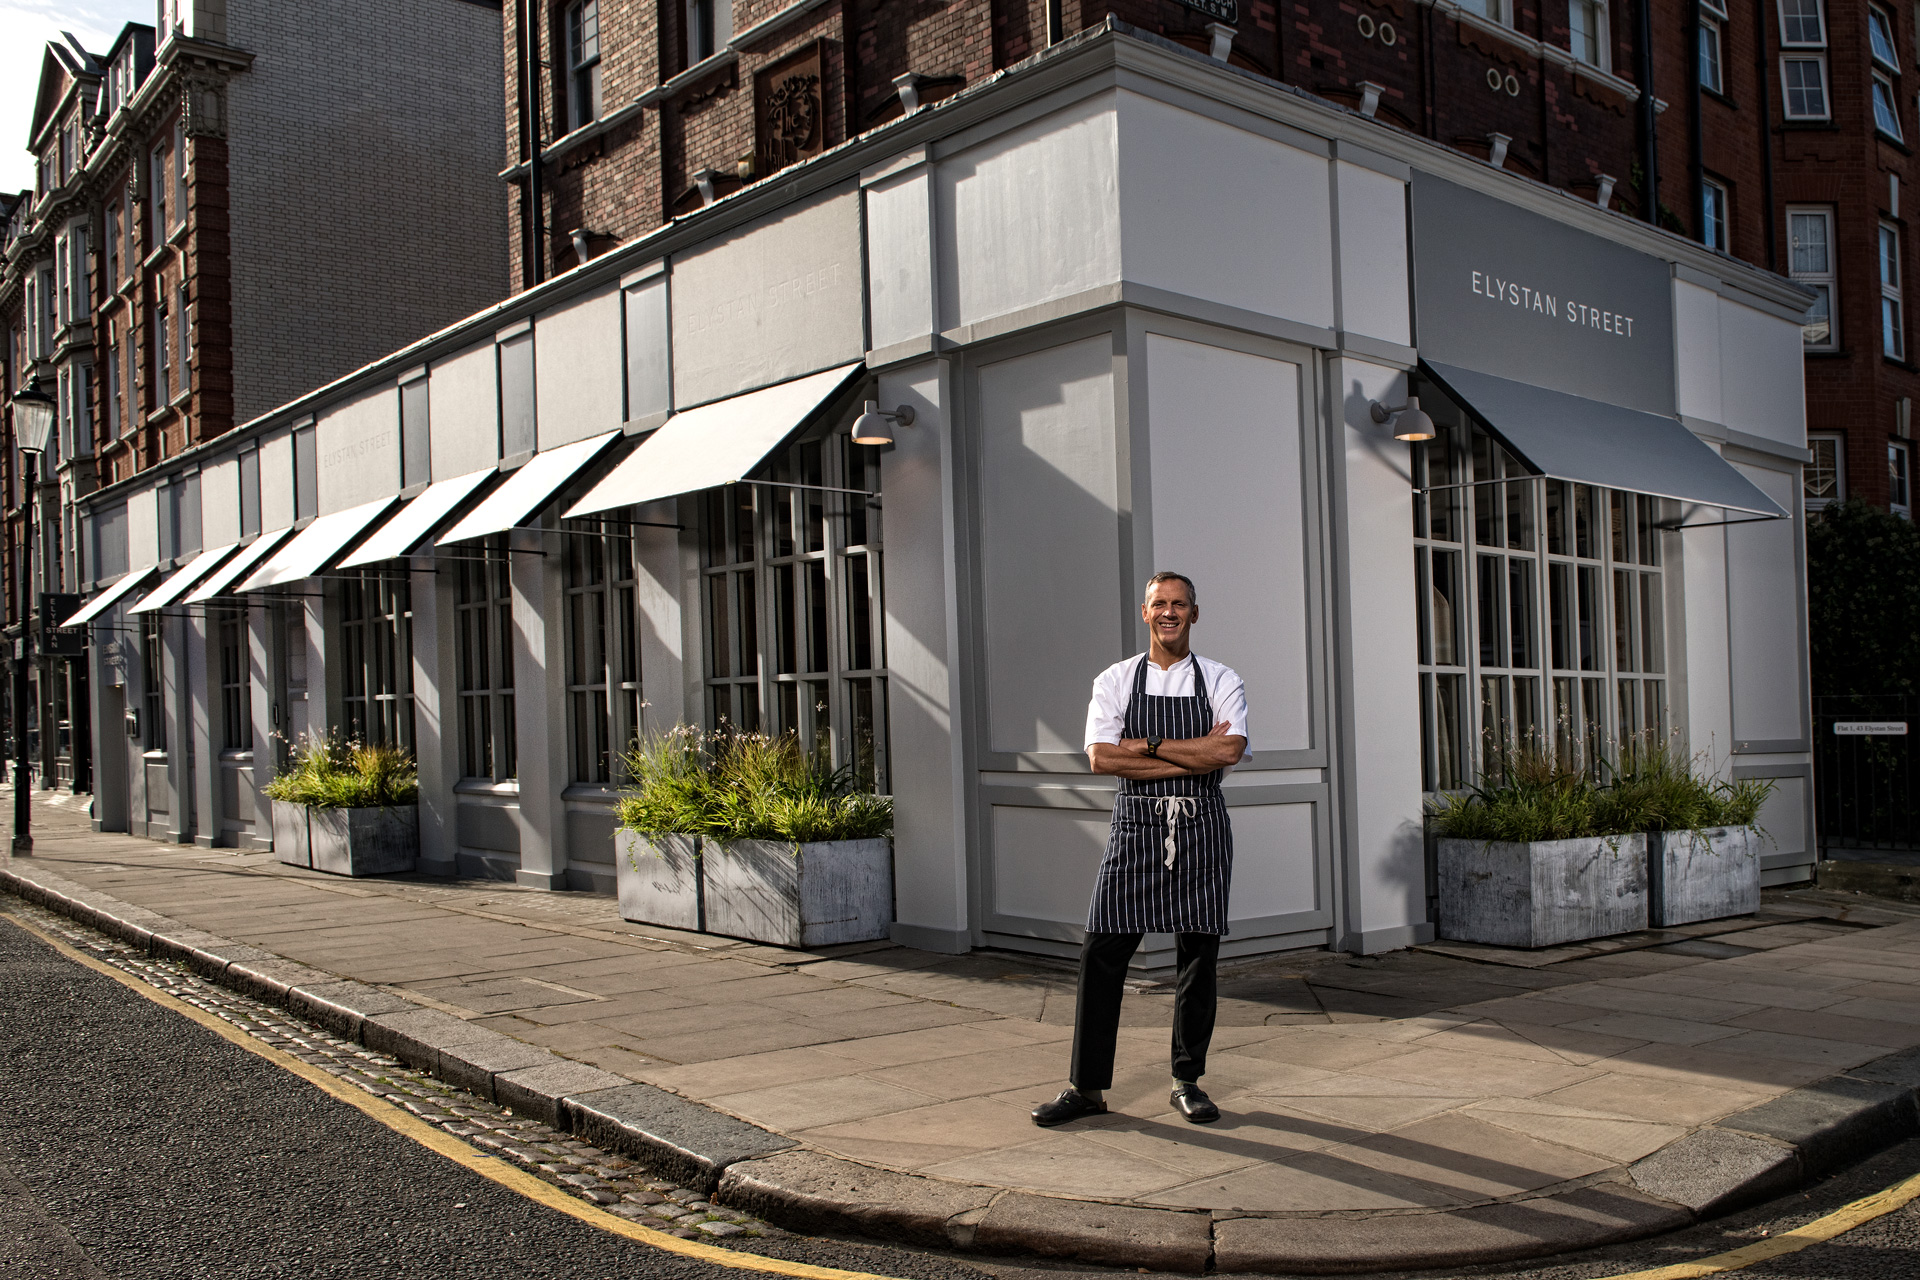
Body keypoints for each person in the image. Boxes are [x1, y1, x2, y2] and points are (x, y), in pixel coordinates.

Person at [1031, 571, 1248, 1128]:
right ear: (1145, 613)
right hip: (1134, 828)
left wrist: (1146, 744)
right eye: (1160, 605)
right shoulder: (1115, 680)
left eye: (1180, 604)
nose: (1169, 613)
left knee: (1198, 958)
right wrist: (1189, 754)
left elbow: (1228, 750)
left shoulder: (1223, 678)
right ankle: (1086, 1088)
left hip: (1201, 829)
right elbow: (1102, 759)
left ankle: (1187, 1080)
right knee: (1101, 953)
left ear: (1194, 614)